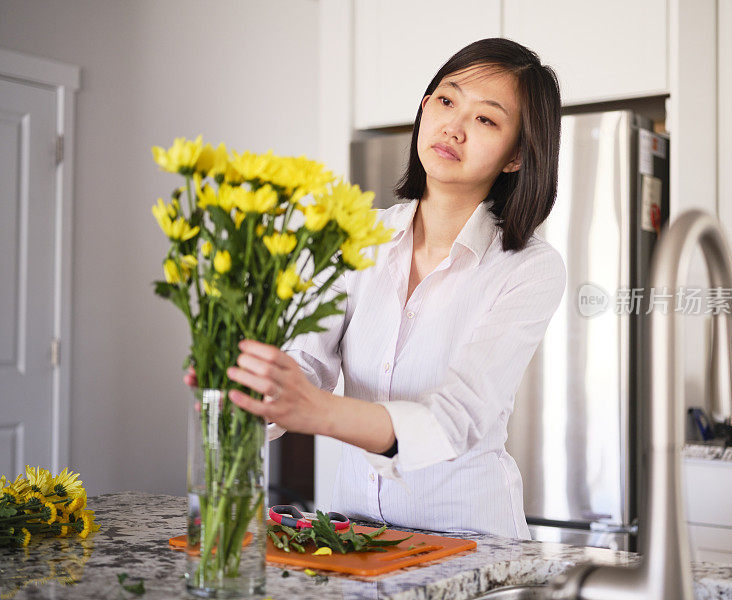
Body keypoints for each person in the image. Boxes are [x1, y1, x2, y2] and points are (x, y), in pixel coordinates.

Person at [185, 38, 566, 539]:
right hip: (352, 538)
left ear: (516, 155)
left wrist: (316, 409)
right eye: (447, 100)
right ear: (425, 107)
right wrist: (254, 389)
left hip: (470, 542)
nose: (453, 126)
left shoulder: (529, 268)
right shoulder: (356, 237)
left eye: (486, 120)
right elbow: (309, 367)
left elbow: (454, 421)